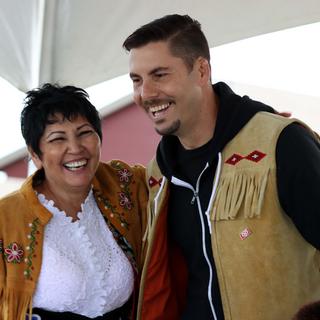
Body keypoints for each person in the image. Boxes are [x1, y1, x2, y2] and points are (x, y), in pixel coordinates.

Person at [123, 14, 320, 320]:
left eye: (160, 75)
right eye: (137, 80)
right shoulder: (157, 177)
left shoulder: (279, 144)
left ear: (201, 70)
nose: (145, 93)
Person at [0, 84, 148, 320]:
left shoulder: (128, 186)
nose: (75, 148)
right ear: (35, 154)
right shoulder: (6, 218)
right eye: (58, 138)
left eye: (84, 133)